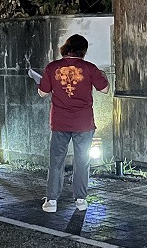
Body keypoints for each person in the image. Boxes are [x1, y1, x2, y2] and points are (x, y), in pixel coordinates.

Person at [36, 34, 109, 213]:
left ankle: (52, 201)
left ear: (66, 48)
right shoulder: (90, 68)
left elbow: (43, 93)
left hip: (60, 122)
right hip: (84, 123)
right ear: (83, 51)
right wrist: (103, 75)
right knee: (82, 161)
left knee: (56, 162)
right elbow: (105, 89)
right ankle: (81, 200)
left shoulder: (52, 67)